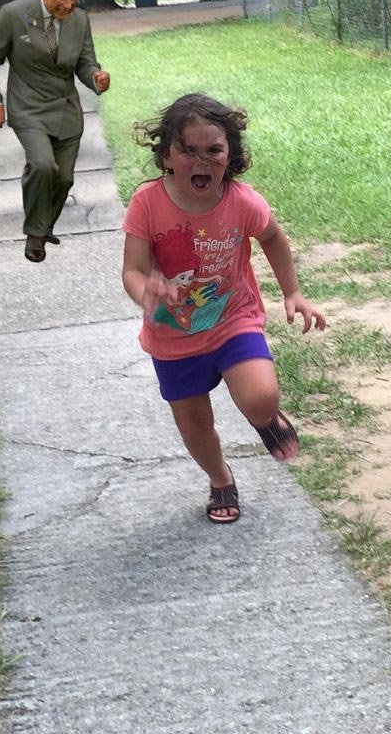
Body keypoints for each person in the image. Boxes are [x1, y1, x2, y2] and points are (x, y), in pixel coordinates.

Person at [121, 93, 326, 525]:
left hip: (234, 320)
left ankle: (264, 418)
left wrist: (292, 292)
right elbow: (133, 270)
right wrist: (146, 291)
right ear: (166, 156)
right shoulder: (147, 204)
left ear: (230, 155)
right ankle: (220, 479)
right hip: (172, 337)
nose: (202, 160)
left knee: (261, 397)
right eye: (187, 150)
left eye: (213, 150)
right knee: (196, 427)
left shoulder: (242, 201)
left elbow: (273, 237)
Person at [0, 0, 110, 263]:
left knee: (63, 178)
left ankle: (44, 225)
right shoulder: (13, 15)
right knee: (42, 165)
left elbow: (85, 62)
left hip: (66, 110)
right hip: (28, 107)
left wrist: (96, 77)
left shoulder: (79, 20)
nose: (68, 4)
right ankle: (36, 234)